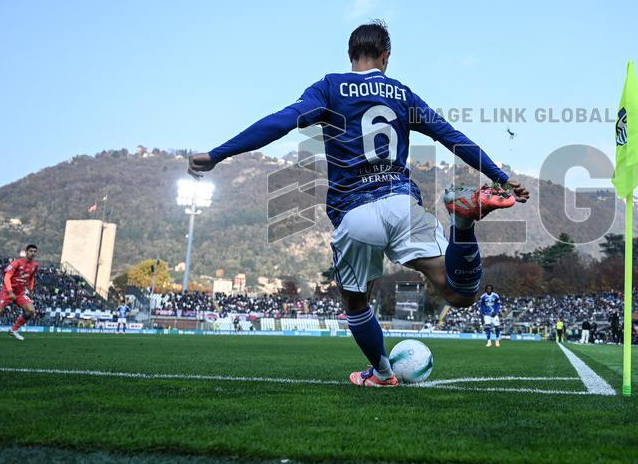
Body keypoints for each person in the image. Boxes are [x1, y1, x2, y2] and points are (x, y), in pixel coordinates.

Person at [188, 22, 529, 386]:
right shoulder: (402, 94)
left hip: (355, 212)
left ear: (351, 55)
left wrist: (217, 154)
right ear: (386, 56)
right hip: (401, 203)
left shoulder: (330, 87)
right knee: (461, 293)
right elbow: (451, 136)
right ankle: (462, 224)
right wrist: (499, 176)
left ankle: (382, 373)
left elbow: (282, 121)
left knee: (356, 304)